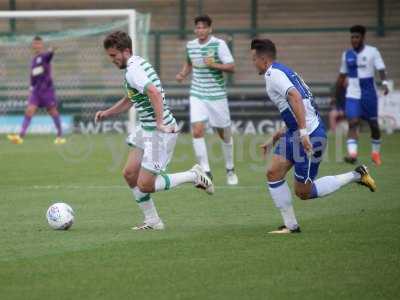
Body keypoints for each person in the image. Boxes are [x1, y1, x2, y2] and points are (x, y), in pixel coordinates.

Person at [251, 38, 376, 234]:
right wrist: (276, 136)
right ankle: (291, 226)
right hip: (297, 132)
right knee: (273, 172)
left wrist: (302, 132)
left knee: (303, 192)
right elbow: (298, 107)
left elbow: (296, 98)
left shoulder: (273, 74)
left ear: (264, 59)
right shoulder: (283, 71)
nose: (253, 63)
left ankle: (357, 175)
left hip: (308, 136)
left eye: (254, 59)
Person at [96, 31, 214, 230]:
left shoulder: (134, 70)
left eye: (114, 55)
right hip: (147, 128)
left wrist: (159, 122)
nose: (112, 60)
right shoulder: (135, 65)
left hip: (160, 132)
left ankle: (194, 176)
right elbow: (130, 98)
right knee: (129, 173)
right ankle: (153, 221)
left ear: (126, 51)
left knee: (145, 185)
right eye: (110, 56)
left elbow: (153, 92)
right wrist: (108, 113)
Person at [176, 15, 238, 185]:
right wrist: (182, 74)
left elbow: (231, 67)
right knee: (197, 131)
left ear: (210, 29)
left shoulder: (219, 45)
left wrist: (214, 65)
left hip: (217, 96)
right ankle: (206, 171)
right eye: (198, 27)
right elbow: (189, 63)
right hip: (197, 94)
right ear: (195, 29)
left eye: (204, 27)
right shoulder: (191, 45)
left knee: (224, 134)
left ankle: (230, 168)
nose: (200, 30)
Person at [336, 25, 389, 165]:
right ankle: (352, 155)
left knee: (373, 125)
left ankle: (375, 154)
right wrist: (336, 95)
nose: (354, 39)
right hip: (352, 95)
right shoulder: (346, 54)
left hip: (369, 94)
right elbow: (342, 76)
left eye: (357, 37)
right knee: (353, 123)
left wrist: (384, 83)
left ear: (363, 38)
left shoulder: (373, 52)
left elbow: (381, 69)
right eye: (352, 37)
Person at [7, 36, 66, 145]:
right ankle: (20, 137)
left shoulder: (44, 57)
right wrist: (31, 88)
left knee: (52, 111)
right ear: (33, 46)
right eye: (35, 44)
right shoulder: (33, 61)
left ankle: (60, 135)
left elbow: (49, 55)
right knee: (29, 110)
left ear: (41, 45)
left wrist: (52, 50)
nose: (37, 46)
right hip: (36, 91)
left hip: (47, 90)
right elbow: (33, 77)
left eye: (39, 44)